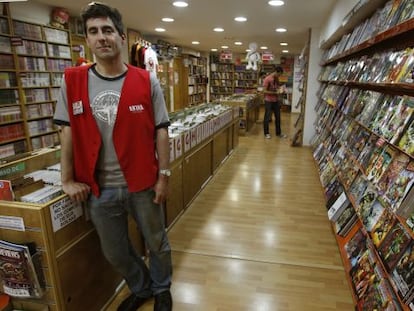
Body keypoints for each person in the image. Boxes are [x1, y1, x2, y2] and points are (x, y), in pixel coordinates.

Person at [53, 2, 173, 311]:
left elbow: (161, 130)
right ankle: (141, 286)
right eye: (93, 31)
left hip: (143, 183)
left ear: (121, 36)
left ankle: (161, 288)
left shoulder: (147, 81)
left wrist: (164, 176)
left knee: (156, 241)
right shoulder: (72, 81)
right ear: (87, 39)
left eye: (107, 30)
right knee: (115, 251)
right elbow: (66, 133)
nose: (101, 37)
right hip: (99, 188)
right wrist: (66, 180)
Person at [262, 66, 286, 139]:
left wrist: (281, 90)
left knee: (278, 117)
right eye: (279, 74)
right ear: (276, 72)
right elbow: (264, 91)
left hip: (276, 101)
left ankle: (278, 133)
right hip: (268, 101)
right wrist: (275, 93)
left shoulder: (276, 78)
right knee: (267, 117)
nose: (279, 76)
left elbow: (277, 87)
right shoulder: (267, 79)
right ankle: (266, 133)